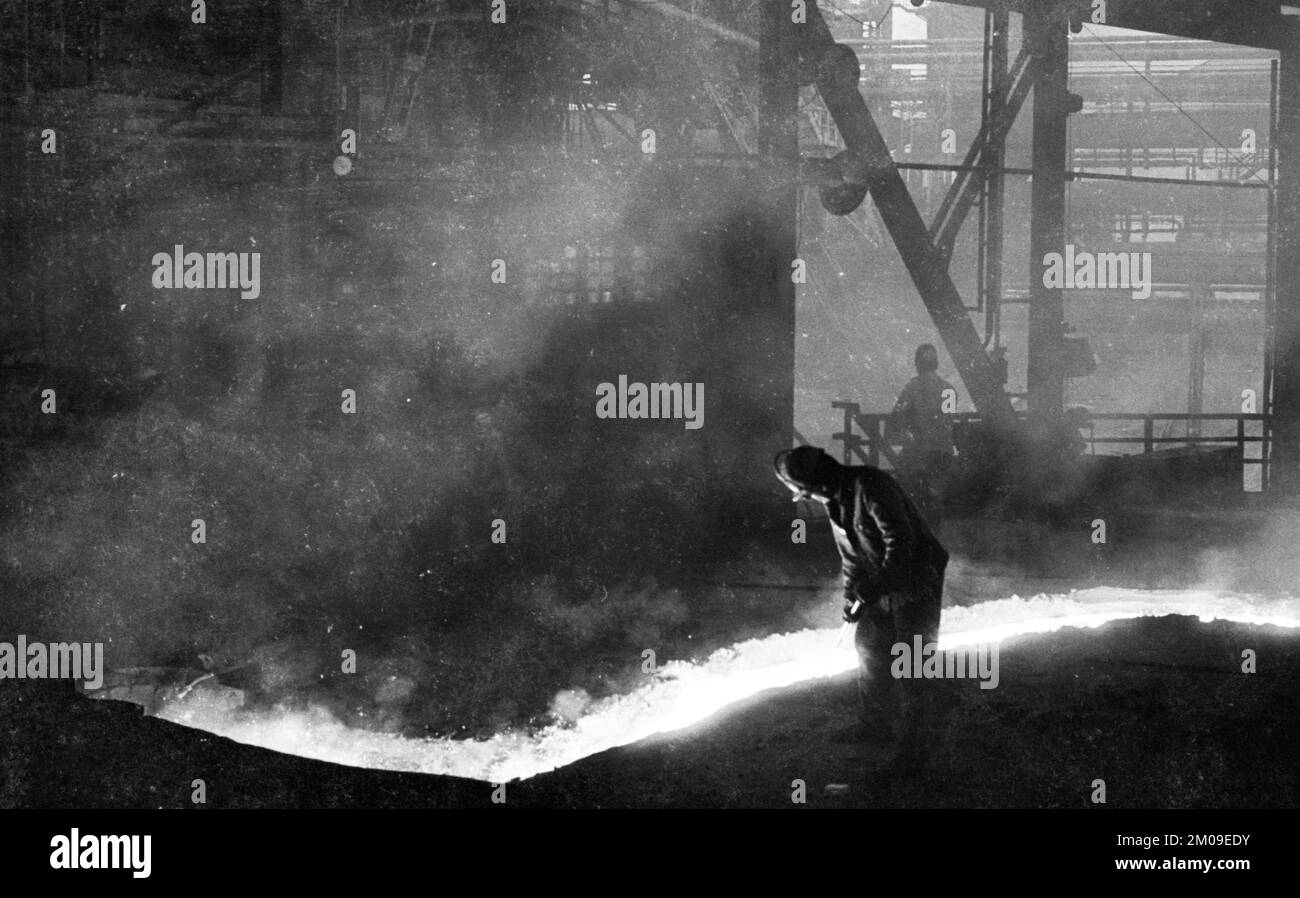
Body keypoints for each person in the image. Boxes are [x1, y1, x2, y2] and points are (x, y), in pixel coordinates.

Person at [774, 445, 948, 774]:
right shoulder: (837, 501)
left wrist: (873, 588)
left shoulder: (870, 486)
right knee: (869, 648)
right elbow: (852, 559)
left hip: (916, 579)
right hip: (881, 584)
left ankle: (916, 751)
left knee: (912, 663)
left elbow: (901, 543)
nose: (806, 498)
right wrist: (851, 601)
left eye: (803, 493)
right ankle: (876, 726)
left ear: (817, 485)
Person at [888, 343, 956, 524]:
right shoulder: (948, 389)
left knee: (907, 490)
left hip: (920, 451)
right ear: (936, 363)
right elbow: (948, 419)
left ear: (917, 363)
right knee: (936, 494)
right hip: (943, 451)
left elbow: (898, 414)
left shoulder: (913, 387)